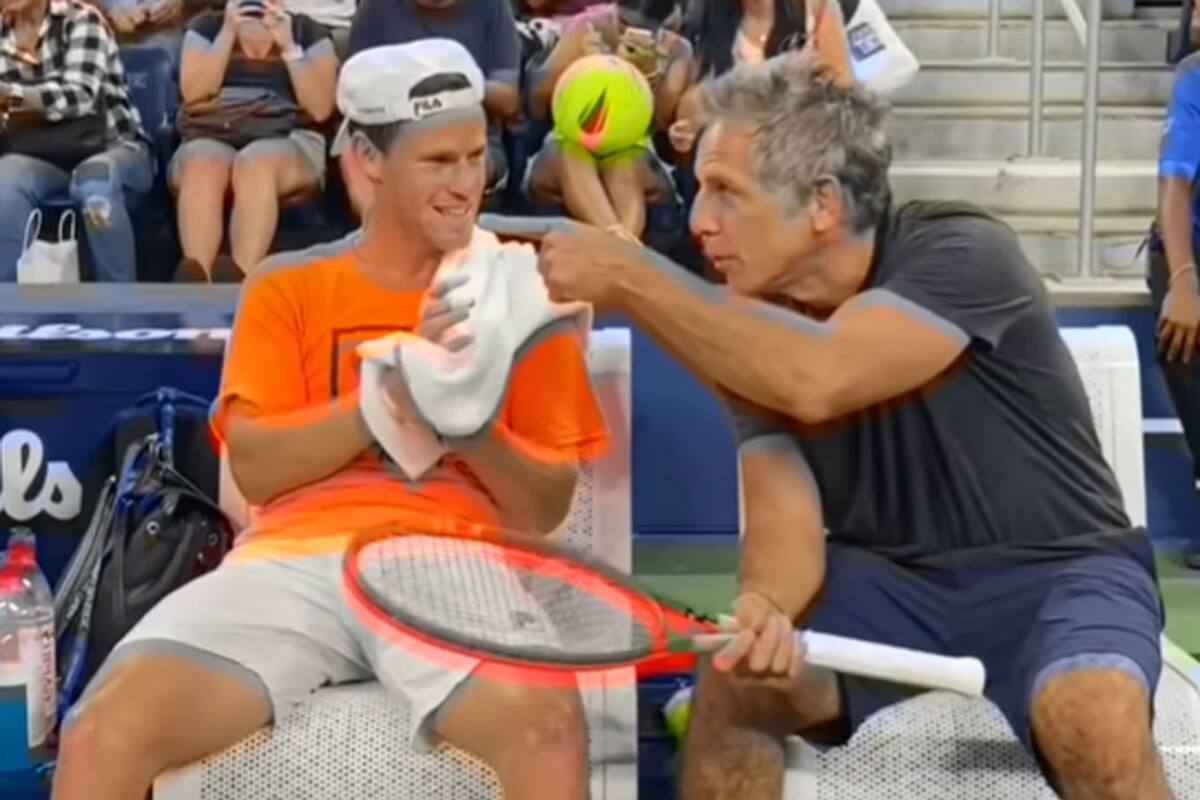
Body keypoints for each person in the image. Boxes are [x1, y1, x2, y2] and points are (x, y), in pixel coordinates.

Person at [482, 54, 1172, 799]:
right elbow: (784, 502)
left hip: (1059, 572)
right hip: (885, 584)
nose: (702, 220)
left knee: (1092, 716)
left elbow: (818, 379)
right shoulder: (750, 326)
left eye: (727, 193)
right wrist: (764, 608)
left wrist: (628, 272)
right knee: (732, 686)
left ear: (822, 204)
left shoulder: (963, 252)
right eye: (700, 189)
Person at [51, 40, 607, 800]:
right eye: (438, 161)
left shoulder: (519, 289)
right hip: (291, 565)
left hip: (450, 564)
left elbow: (545, 505)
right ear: (367, 161)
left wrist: (470, 422)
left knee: (547, 729)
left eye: (476, 157)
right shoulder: (289, 287)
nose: (465, 183)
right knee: (99, 733)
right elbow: (256, 467)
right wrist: (389, 398)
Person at [171, 0, 338, 282]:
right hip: (214, 132)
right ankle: (199, 288)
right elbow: (195, 94)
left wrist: (289, 49)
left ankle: (240, 285)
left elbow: (321, 108)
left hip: (290, 139)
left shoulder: (307, 31)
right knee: (203, 161)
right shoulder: (207, 28)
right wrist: (227, 33)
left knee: (255, 162)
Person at [0, 0, 153, 282]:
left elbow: (79, 96)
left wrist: (12, 96)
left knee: (94, 181)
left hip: (114, 146)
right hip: (42, 156)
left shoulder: (81, 20)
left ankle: (119, 308)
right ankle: (6, 309)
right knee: (5, 178)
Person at [524, 0, 690, 241]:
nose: (627, 33)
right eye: (623, 23)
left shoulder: (677, 50)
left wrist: (649, 79)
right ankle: (622, 249)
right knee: (572, 157)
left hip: (634, 148)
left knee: (624, 166)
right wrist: (584, 65)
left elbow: (663, 130)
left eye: (644, 29)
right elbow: (536, 103)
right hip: (570, 139)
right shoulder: (588, 29)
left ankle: (621, 251)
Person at [347, 0, 521, 203]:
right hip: (390, 134)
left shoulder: (492, 6)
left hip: (468, 140)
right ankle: (375, 231)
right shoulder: (375, 8)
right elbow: (355, 90)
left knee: (436, 170)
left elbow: (507, 98)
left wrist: (446, 85)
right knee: (356, 155)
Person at [1148, 50, 1200, 570]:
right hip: (1193, 249)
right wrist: (1184, 281)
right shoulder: (1195, 76)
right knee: (1179, 336)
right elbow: (1174, 185)